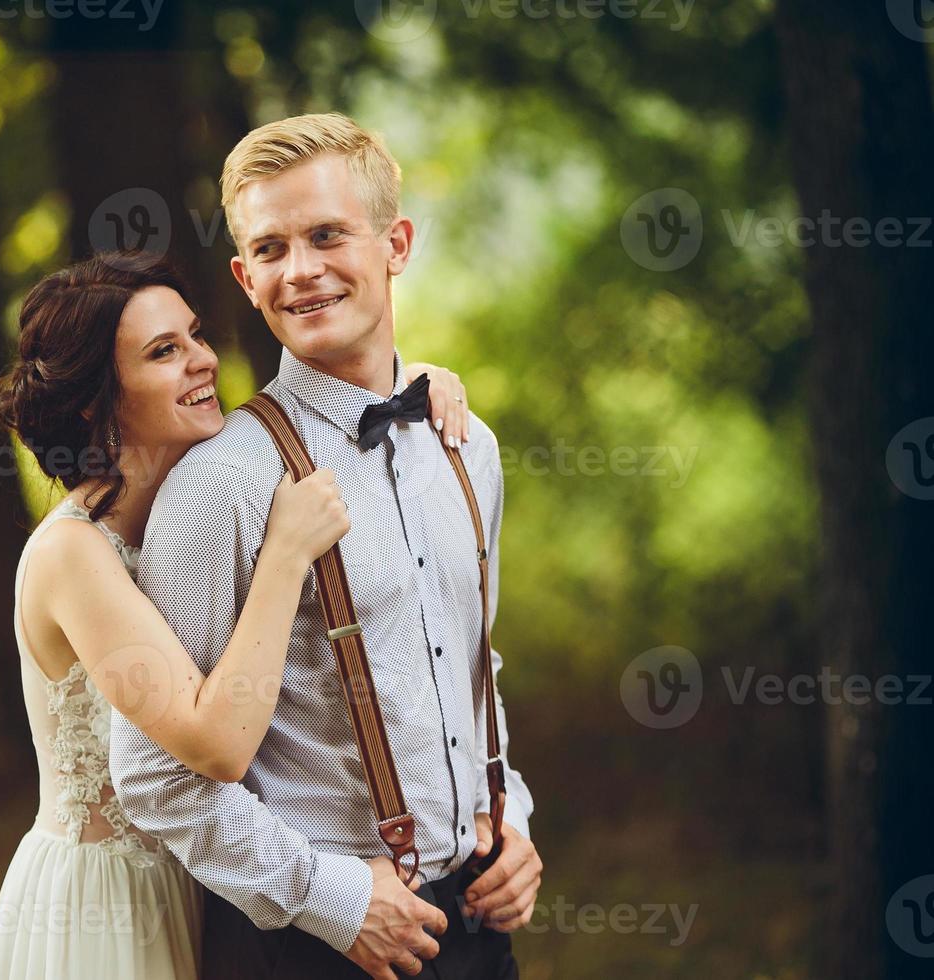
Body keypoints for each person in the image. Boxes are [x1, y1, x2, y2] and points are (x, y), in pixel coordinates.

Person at [109, 112, 542, 980]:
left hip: (480, 928)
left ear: (397, 243)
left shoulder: (469, 448)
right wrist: (332, 903)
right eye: (270, 249)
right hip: (306, 948)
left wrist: (513, 817)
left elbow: (468, 661)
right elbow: (157, 775)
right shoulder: (223, 481)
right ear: (243, 275)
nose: (299, 271)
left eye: (326, 235)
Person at [0, 252, 472, 979]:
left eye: (195, 335)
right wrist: (284, 556)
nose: (201, 362)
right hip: (116, 905)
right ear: (93, 398)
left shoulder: (193, 510)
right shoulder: (73, 556)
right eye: (163, 352)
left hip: (220, 883)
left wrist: (407, 383)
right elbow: (219, 744)